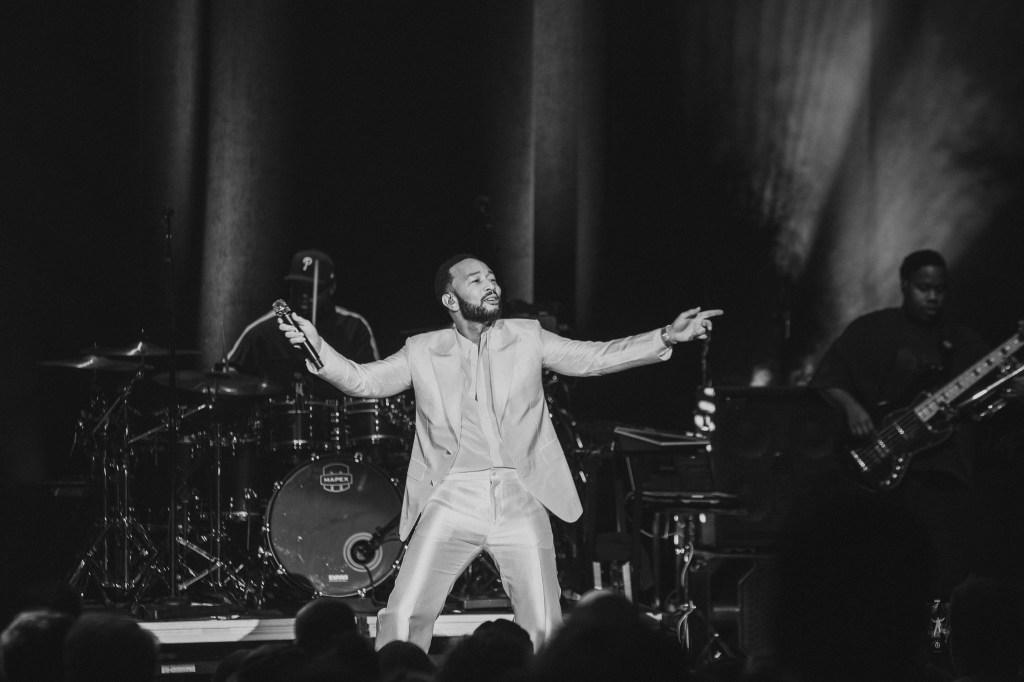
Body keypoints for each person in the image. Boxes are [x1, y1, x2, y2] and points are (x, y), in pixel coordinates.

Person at [278, 253, 722, 652]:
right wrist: (316, 345)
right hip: (452, 497)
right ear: (451, 300)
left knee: (544, 624)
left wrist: (667, 336)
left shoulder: (527, 336)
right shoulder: (423, 350)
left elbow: (596, 358)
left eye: (492, 277)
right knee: (404, 614)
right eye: (475, 280)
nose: (491, 285)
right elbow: (364, 381)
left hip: (520, 495)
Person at [811, 249, 991, 600]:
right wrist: (852, 409)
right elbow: (825, 379)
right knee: (886, 570)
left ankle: (940, 647)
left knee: (942, 574)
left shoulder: (962, 341)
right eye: (924, 288)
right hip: (885, 478)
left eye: (940, 289)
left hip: (943, 477)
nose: (933, 297)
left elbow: (992, 388)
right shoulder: (872, 330)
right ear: (905, 286)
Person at [227, 249, 380, 395]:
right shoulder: (262, 330)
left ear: (331, 287)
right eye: (299, 287)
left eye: (314, 288)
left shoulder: (355, 327)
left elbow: (375, 381)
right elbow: (227, 375)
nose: (305, 294)